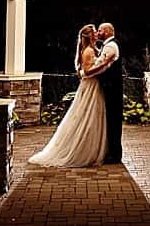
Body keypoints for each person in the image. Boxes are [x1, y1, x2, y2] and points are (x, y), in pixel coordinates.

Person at [27, 25, 108, 167]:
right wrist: (105, 64)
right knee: (86, 117)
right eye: (94, 32)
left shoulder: (92, 49)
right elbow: (88, 71)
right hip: (90, 86)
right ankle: (82, 151)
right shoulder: (88, 51)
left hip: (93, 85)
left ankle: (91, 149)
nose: (97, 33)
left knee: (92, 118)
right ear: (90, 36)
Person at [81, 22, 123, 164]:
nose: (98, 33)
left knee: (113, 121)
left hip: (112, 89)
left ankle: (114, 154)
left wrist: (85, 73)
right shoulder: (101, 47)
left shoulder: (111, 46)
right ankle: (111, 151)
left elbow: (100, 67)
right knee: (110, 120)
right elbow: (97, 66)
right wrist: (85, 72)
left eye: (100, 30)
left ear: (107, 32)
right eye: (96, 31)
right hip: (105, 87)